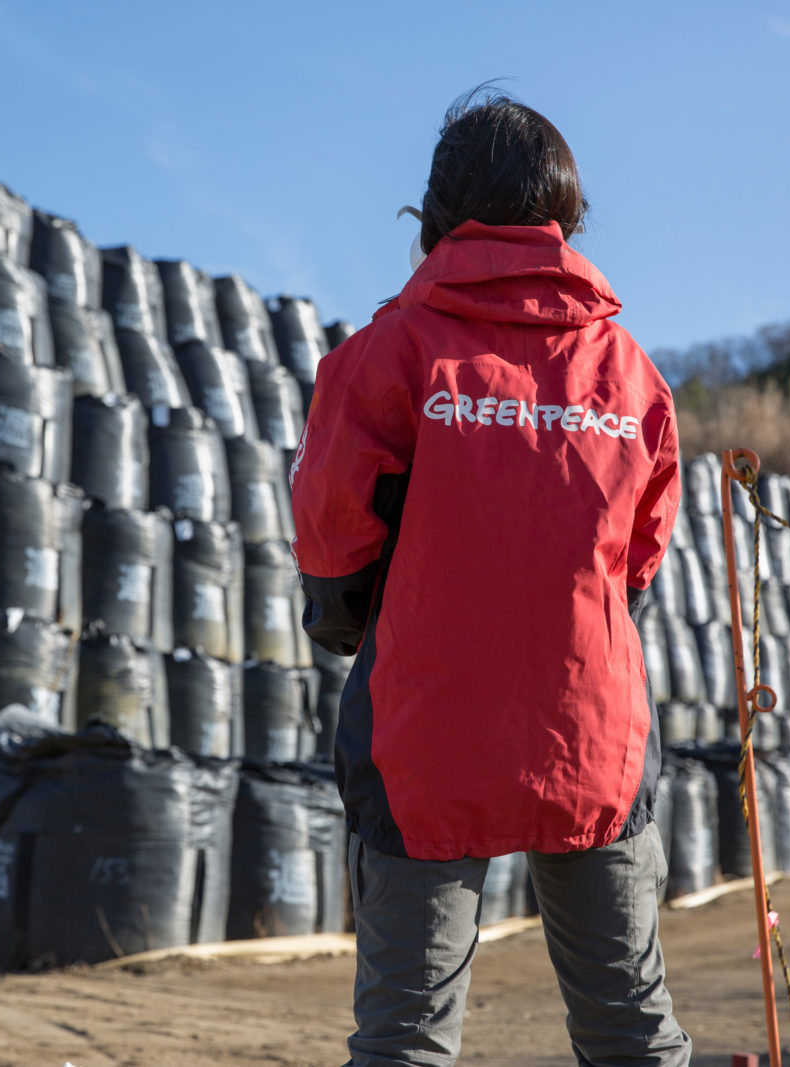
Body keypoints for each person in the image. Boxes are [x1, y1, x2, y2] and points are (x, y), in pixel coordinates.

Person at [289, 87, 691, 1067]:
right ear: (564, 215)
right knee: (627, 1019)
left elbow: (335, 546)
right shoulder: (630, 375)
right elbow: (638, 563)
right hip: (587, 726)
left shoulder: (385, 356)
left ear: (437, 213)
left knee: (405, 1031)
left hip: (425, 731)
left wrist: (354, 623)